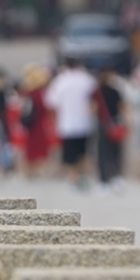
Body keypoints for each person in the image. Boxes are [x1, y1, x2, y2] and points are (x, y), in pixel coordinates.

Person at [44, 57, 98, 187]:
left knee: (69, 151)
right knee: (83, 150)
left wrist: (54, 120)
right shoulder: (87, 79)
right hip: (84, 121)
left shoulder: (60, 81)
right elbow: (95, 100)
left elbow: (51, 103)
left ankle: (73, 176)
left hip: (66, 122)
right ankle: (82, 174)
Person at [92, 65, 127, 190]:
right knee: (115, 151)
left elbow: (93, 109)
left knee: (102, 152)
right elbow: (122, 107)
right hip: (114, 122)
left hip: (102, 123)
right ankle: (116, 176)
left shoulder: (96, 92)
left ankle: (104, 180)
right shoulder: (115, 91)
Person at [17, 64, 56, 175]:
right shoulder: (39, 94)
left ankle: (31, 171)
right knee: (39, 148)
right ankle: (36, 170)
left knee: (32, 148)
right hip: (38, 124)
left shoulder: (29, 94)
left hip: (32, 124)